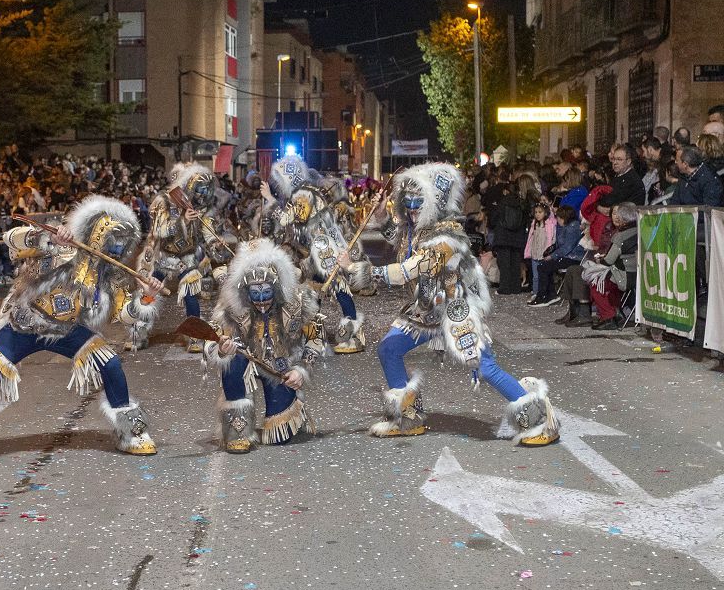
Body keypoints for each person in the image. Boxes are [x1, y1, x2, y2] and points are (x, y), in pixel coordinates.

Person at [340, 162, 560, 447]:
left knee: (485, 367)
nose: (412, 209)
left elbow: (412, 267)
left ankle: (539, 418)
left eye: (419, 203)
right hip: (426, 309)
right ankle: (406, 416)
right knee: (389, 349)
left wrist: (363, 271)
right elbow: (401, 243)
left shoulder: (448, 236)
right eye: (407, 203)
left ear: (435, 202)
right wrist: (383, 220)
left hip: (455, 310)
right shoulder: (419, 229)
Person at [0, 195, 165, 463]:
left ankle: (132, 433)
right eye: (111, 240)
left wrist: (147, 297)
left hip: (67, 331)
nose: (115, 249)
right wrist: (47, 239)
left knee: (111, 363)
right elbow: (12, 238)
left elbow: (125, 314)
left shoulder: (110, 275)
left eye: (121, 244)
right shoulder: (60, 246)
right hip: (24, 325)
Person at [201, 239, 326, 452]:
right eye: (255, 294)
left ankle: (293, 407)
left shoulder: (298, 302)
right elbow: (211, 338)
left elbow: (316, 337)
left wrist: (301, 369)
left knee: (279, 437)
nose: (260, 300)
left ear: (276, 289)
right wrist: (222, 350)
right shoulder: (231, 306)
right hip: (246, 359)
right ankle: (237, 428)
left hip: (279, 368)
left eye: (266, 293)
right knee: (232, 362)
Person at [260, 156, 366, 354]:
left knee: (339, 290)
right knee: (313, 291)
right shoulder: (305, 192)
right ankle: (314, 334)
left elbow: (286, 220)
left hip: (324, 250)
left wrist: (270, 200)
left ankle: (353, 335)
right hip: (316, 252)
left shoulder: (303, 194)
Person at [135, 163, 232, 352]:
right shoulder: (163, 201)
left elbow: (207, 233)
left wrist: (216, 243)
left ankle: (194, 335)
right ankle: (138, 332)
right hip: (163, 257)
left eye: (205, 190)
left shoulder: (203, 208)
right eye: (198, 189)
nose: (202, 194)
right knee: (149, 293)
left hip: (187, 258)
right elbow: (158, 230)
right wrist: (183, 220)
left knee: (190, 295)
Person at [585, 203, 639, 331]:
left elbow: (609, 261)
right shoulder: (639, 230)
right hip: (636, 273)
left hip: (625, 275)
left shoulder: (621, 236)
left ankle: (608, 317)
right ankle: (616, 312)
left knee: (596, 283)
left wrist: (600, 260)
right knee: (608, 282)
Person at [523, 202, 556, 301]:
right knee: (535, 276)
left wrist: (549, 251)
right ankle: (536, 292)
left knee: (544, 275)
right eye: (536, 212)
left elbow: (552, 239)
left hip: (544, 254)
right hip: (535, 253)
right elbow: (530, 239)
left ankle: (544, 292)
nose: (537, 214)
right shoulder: (534, 224)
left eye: (540, 212)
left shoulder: (549, 225)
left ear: (545, 213)